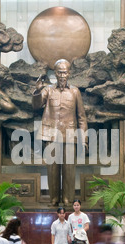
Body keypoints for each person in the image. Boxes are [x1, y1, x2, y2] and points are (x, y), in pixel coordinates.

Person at [32, 59, 88, 206]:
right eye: (60, 72)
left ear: (69, 73)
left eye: (65, 72)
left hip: (70, 136)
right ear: (55, 74)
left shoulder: (75, 92)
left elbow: (81, 117)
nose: (62, 76)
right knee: (52, 170)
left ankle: (68, 200)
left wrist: (83, 139)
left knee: (69, 171)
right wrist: (37, 91)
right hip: (51, 135)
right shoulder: (48, 90)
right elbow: (37, 105)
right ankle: (54, 199)